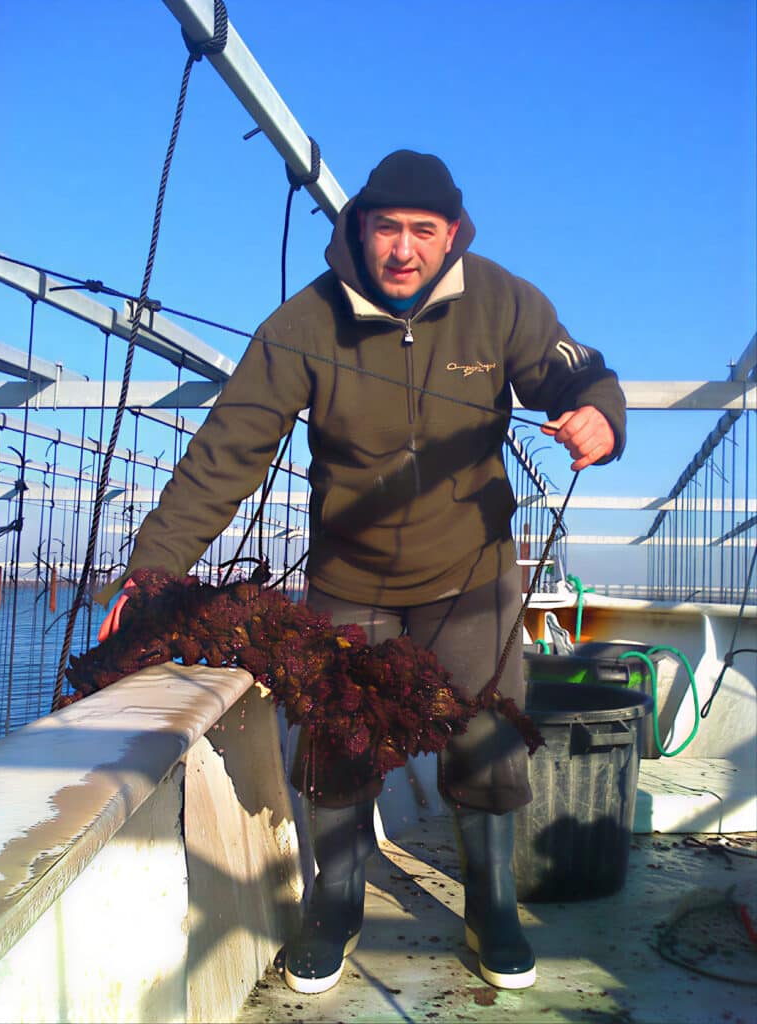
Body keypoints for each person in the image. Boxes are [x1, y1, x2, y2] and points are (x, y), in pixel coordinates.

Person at [97, 150, 626, 995]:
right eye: (389, 228)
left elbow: (568, 366)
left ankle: (490, 904)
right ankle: (333, 901)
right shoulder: (304, 322)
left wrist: (600, 412)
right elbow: (227, 452)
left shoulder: (500, 299)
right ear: (359, 230)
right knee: (339, 741)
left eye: (424, 231)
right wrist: (151, 573)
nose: (405, 249)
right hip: (350, 576)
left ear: (452, 234)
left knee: (486, 734)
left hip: (472, 570)